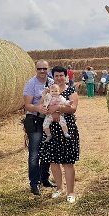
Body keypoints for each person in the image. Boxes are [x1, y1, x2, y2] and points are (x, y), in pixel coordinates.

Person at [38, 66, 80, 203]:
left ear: (66, 76)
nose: (59, 78)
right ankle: (59, 188)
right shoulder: (49, 92)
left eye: (61, 75)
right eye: (56, 76)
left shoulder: (71, 91)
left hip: (66, 129)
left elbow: (72, 108)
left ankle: (71, 192)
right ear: (53, 77)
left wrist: (58, 108)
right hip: (51, 129)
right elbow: (42, 107)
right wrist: (49, 108)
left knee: (68, 162)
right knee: (53, 161)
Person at [23, 59, 56, 196]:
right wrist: (38, 108)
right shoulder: (31, 84)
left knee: (47, 151)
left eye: (44, 68)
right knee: (35, 153)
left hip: (48, 121)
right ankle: (34, 183)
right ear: (36, 70)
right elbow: (27, 105)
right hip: (35, 120)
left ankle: (45, 178)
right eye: (39, 69)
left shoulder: (51, 82)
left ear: (48, 69)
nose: (42, 71)